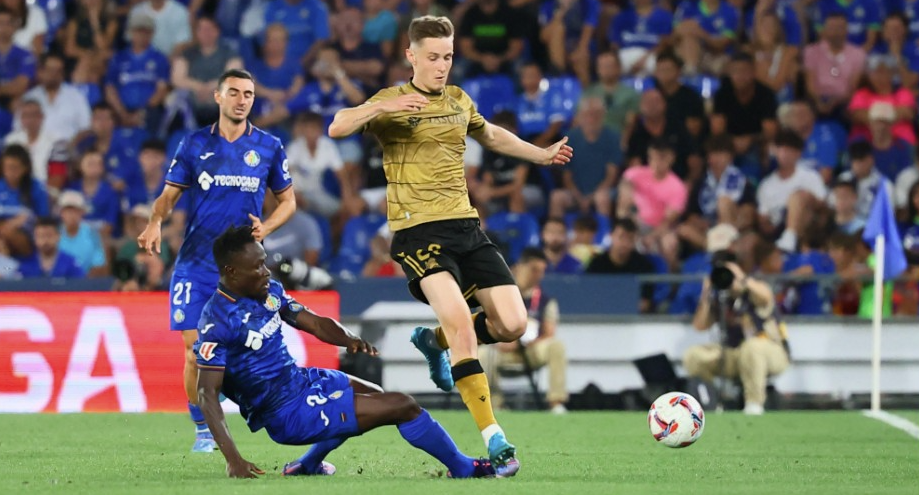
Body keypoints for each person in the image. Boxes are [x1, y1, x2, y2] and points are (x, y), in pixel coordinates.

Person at [328, 15, 572, 472]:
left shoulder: (459, 99)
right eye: (434, 57)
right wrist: (383, 108)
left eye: (449, 57)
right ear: (412, 56)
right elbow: (338, 126)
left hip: (466, 228)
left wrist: (540, 154)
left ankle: (434, 341)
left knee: (514, 324)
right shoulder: (390, 101)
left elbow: (490, 134)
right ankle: (495, 437)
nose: (442, 66)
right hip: (418, 232)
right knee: (463, 325)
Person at [195, 225, 505, 479]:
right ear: (231, 271)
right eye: (257, 266)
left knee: (373, 394)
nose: (266, 271)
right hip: (285, 412)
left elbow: (314, 322)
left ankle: (307, 465)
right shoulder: (217, 321)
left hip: (301, 381)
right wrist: (233, 459)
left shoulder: (269, 291)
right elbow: (207, 393)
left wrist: (348, 338)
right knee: (403, 405)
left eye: (264, 262)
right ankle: (463, 468)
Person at [137, 68, 296, 454]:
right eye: (235, 92)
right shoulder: (194, 144)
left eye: (249, 94)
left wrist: (266, 227)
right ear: (218, 96)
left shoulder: (269, 146)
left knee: (238, 350)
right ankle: (204, 429)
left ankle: (258, 411)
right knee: (195, 349)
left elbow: (288, 201)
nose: (242, 100)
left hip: (243, 270)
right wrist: (155, 221)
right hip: (196, 263)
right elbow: (168, 196)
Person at [683, 250, 791, 415]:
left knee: (752, 347)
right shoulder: (720, 298)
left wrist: (741, 278)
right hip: (735, 353)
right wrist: (706, 295)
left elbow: (766, 297)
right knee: (694, 355)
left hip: (772, 351)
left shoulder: (754, 289)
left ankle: (754, 404)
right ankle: (713, 402)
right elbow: (699, 326)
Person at [478, 248, 569, 414]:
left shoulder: (546, 301)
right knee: (483, 353)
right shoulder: (497, 294)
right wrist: (500, 341)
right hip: (502, 350)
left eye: (542, 271)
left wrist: (530, 342)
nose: (538, 275)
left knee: (556, 346)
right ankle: (496, 405)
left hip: (531, 350)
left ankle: (556, 402)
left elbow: (548, 333)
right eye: (534, 269)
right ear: (519, 267)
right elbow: (484, 324)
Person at [17, 216, 85, 278]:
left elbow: (80, 284)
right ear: (34, 238)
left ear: (58, 236)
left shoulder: (71, 263)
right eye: (40, 236)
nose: (45, 241)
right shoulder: (25, 263)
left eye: (49, 235)